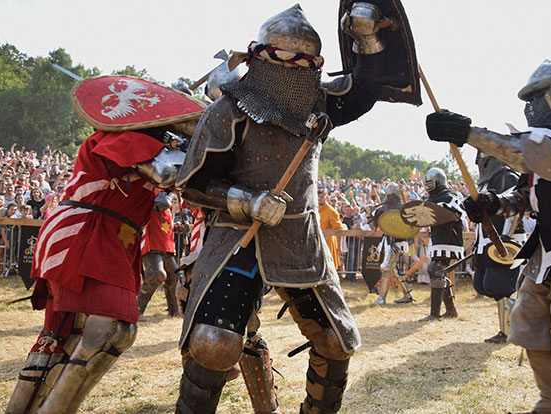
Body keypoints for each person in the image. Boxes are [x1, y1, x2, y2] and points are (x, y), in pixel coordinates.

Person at [173, 4, 414, 413]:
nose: (293, 77)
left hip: (299, 237)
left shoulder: (319, 103)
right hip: (237, 237)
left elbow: (367, 85)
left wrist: (366, 37)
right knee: (215, 345)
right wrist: (248, 200)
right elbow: (193, 184)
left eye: (303, 68)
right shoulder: (227, 111)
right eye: (285, 65)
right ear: (261, 61)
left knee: (336, 341)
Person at [425, 60, 551, 413]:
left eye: (534, 97)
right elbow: (527, 193)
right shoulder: (548, 138)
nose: (530, 107)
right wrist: (494, 203)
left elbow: (542, 156)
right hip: (549, 254)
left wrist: (469, 133)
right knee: (529, 323)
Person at [5, 122, 192, 413]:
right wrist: (196, 150)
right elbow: (167, 172)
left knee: (63, 336)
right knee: (114, 328)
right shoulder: (120, 137)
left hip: (108, 236)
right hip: (86, 232)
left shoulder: (149, 148)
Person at [470, 152, 527, 343]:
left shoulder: (506, 176)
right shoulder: (486, 183)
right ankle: (505, 330)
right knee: (484, 285)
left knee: (499, 285)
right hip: (488, 242)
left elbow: (515, 207)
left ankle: (513, 330)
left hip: (505, 241)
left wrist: (506, 238)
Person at [419, 167, 465, 321]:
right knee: (437, 271)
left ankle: (435, 314)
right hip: (439, 238)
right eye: (426, 183)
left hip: (449, 238)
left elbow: (458, 213)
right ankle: (451, 311)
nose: (428, 186)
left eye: (430, 183)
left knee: (436, 269)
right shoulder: (432, 199)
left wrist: (442, 208)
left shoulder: (449, 196)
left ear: (438, 182)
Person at [367, 182, 414, 304]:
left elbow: (410, 227)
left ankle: (382, 298)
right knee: (392, 270)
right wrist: (368, 214)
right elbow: (374, 228)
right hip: (388, 241)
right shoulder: (383, 209)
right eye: (388, 195)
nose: (389, 198)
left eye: (391, 195)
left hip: (398, 242)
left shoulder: (402, 209)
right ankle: (407, 295)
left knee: (385, 267)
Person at [137, 190, 180, 318]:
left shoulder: (165, 193)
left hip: (165, 241)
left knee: (174, 276)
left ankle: (174, 311)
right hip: (151, 240)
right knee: (157, 275)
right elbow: (161, 204)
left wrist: (177, 226)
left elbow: (166, 217)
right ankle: (136, 310)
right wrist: (170, 194)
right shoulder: (152, 190)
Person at [318, 188, 345, 273]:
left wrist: (339, 247)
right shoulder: (313, 209)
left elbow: (339, 229)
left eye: (321, 197)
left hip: (328, 243)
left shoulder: (331, 211)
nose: (319, 199)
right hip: (316, 243)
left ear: (326, 197)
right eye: (318, 197)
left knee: (328, 269)